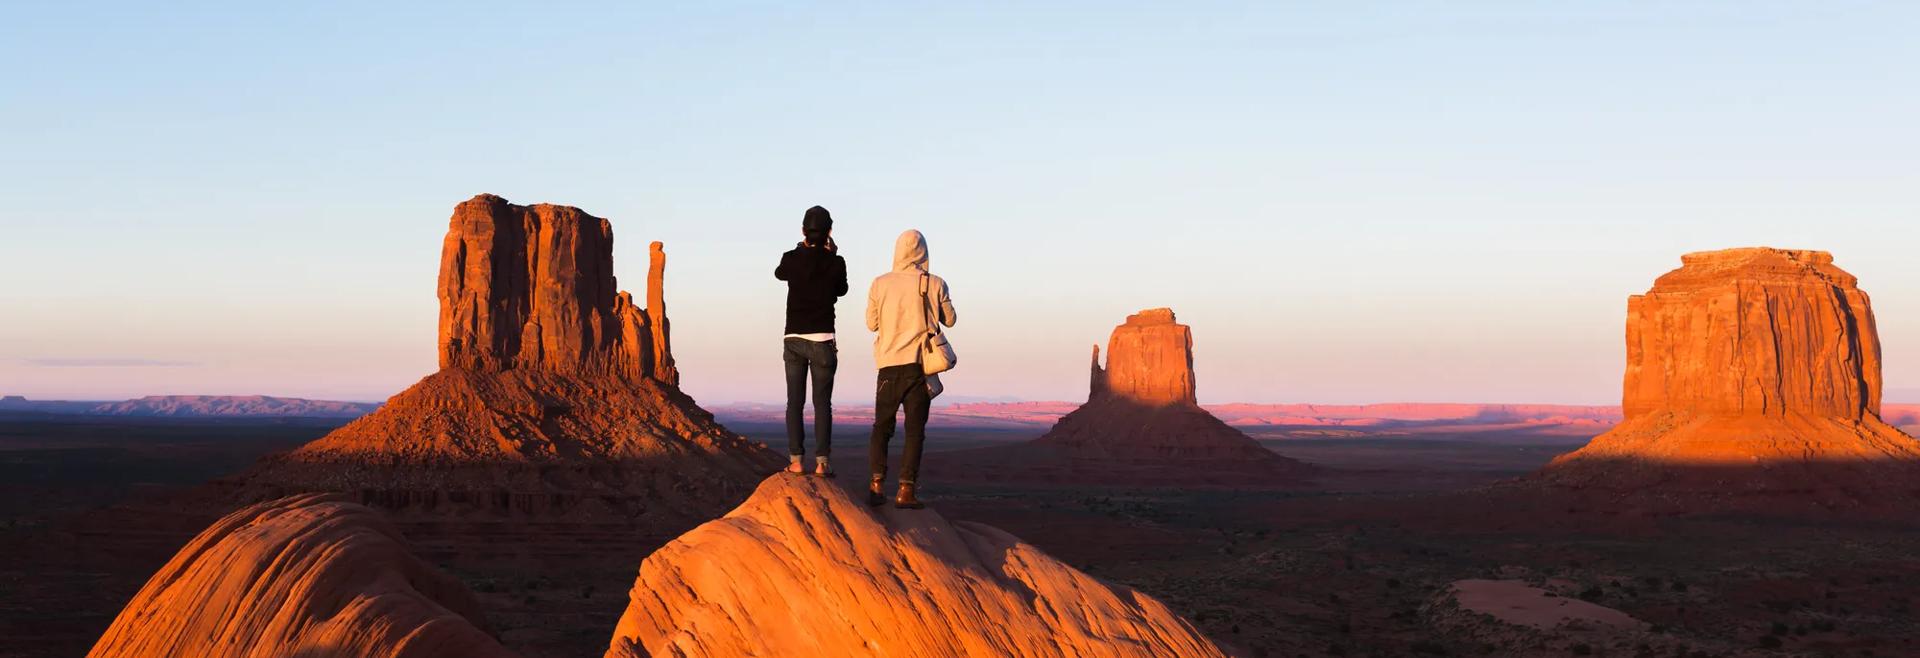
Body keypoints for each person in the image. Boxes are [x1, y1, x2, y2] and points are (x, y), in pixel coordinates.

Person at [865, 229, 956, 508]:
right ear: (923, 252)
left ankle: (877, 484)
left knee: (882, 427)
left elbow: (871, 324)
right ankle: (906, 491)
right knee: (915, 431)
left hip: (889, 367)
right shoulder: (935, 283)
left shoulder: (879, 284)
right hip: (920, 368)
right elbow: (950, 320)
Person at [775, 205, 848, 477]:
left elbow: (779, 272)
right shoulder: (835, 262)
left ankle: (795, 462)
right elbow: (841, 290)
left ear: (803, 230)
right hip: (822, 339)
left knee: (794, 402)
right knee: (822, 404)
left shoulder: (792, 258)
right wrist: (832, 254)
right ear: (829, 232)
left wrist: (802, 249)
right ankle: (822, 464)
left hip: (793, 337)